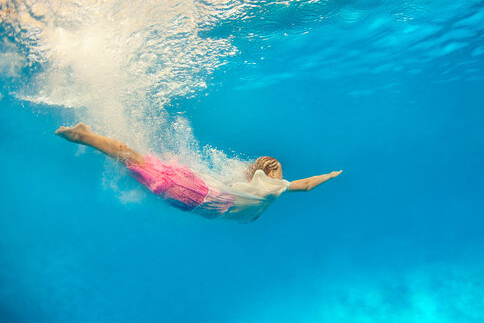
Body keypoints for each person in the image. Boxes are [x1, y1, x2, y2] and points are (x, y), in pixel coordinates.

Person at [55, 123, 342, 222]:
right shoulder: (266, 193)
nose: (282, 175)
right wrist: (327, 177)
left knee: (138, 160)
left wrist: (327, 176)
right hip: (193, 201)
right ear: (270, 172)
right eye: (279, 169)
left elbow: (303, 185)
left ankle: (85, 137)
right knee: (137, 164)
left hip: (196, 193)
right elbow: (302, 186)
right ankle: (88, 138)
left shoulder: (264, 189)